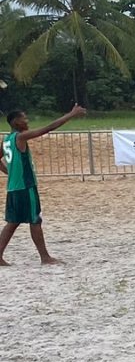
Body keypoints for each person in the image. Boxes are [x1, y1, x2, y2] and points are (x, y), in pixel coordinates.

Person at [0, 105, 87, 266]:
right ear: (16, 122)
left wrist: (9, 172)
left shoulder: (6, 140)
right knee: (35, 220)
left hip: (13, 188)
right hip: (26, 186)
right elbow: (48, 128)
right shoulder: (21, 137)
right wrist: (71, 114)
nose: (27, 121)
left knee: (13, 222)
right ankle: (45, 257)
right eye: (24, 118)